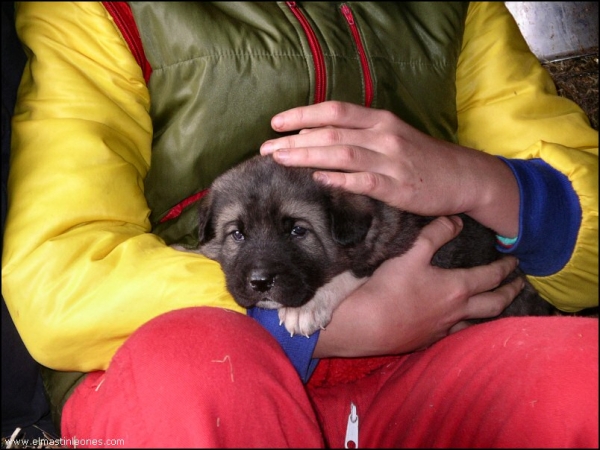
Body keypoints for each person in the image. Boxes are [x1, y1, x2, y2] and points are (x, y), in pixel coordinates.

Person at [2, 2, 597, 448]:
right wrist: (317, 328)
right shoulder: (102, 10)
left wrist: (483, 181)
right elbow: (60, 274)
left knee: (584, 378)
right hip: (201, 363)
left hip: (437, 351)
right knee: (196, 373)